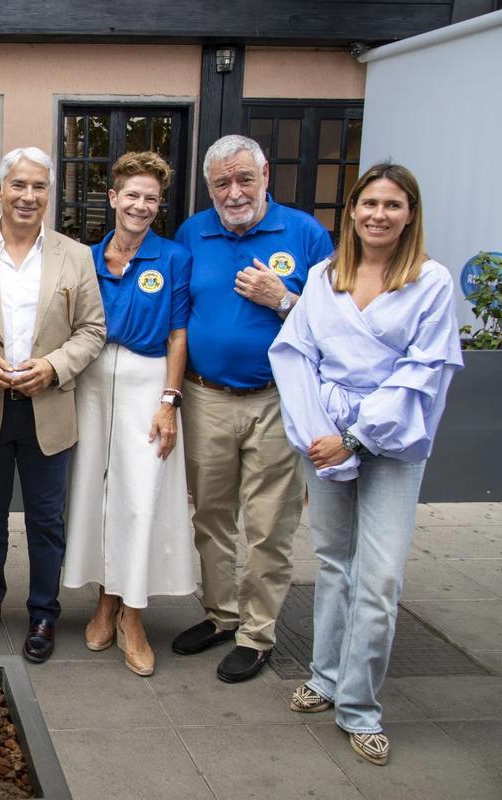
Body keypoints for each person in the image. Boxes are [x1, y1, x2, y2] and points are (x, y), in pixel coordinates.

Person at [269, 163, 462, 766]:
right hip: (325, 440)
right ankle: (325, 677)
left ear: (410, 214)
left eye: (393, 204)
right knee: (332, 564)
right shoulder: (326, 278)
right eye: (369, 203)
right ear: (351, 211)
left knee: (379, 578)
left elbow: (422, 371)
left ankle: (360, 706)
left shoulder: (431, 282)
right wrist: (317, 432)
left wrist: (355, 435)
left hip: (391, 442)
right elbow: (295, 353)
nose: (379, 214)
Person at [171, 134, 332, 683]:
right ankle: (220, 616)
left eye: (244, 178)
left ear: (266, 174)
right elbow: (179, 311)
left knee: (269, 526)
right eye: (222, 183)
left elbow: (336, 325)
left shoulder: (305, 233)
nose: (234, 192)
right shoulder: (193, 232)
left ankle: (256, 634)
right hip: (205, 396)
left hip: (275, 401)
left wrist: (281, 298)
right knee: (211, 517)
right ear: (209, 186)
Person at [0, 146, 106, 663]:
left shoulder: (74, 255)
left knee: (46, 519)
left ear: (48, 195)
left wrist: (54, 366)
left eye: (38, 187)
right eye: (19, 185)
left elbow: (93, 329)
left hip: (47, 406)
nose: (28, 196)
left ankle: (42, 612)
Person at [62, 152, 195, 677]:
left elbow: (178, 334)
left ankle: (133, 614)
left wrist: (170, 401)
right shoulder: (85, 258)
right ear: (113, 198)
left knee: (141, 500)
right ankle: (104, 600)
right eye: (131, 195)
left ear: (159, 206)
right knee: (96, 494)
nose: (140, 205)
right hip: (91, 381)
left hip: (147, 379)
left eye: (151, 198)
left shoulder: (173, 257)